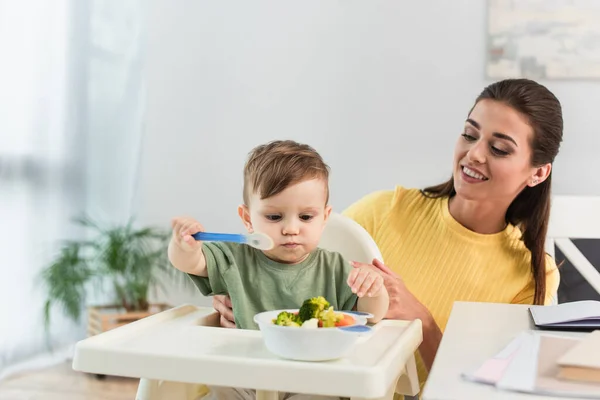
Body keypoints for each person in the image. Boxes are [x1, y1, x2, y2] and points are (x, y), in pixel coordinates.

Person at [211, 79, 564, 391]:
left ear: (538, 173)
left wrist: (421, 319)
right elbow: (290, 270)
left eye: (499, 149)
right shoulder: (384, 210)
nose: (473, 154)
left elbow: (495, 390)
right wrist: (240, 298)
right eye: (469, 135)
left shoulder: (533, 275)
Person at [168, 140, 389, 400]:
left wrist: (373, 287)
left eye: (306, 217)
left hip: (314, 379)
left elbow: (372, 316)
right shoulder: (234, 258)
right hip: (244, 374)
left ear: (325, 218)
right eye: (274, 217)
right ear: (248, 219)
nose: (291, 229)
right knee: (219, 390)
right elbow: (190, 262)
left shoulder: (335, 267)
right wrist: (185, 246)